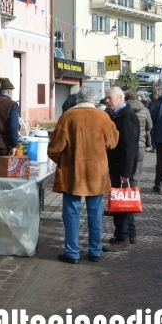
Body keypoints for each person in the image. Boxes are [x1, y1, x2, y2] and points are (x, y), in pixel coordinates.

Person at [49, 87, 119, 264]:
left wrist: (63, 162)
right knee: (95, 213)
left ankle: (72, 253)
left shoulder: (68, 117)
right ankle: (95, 251)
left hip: (73, 172)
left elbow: (55, 148)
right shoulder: (103, 117)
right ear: (94, 99)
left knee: (71, 213)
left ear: (78, 99)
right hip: (96, 171)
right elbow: (112, 142)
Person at [103, 87, 140, 252]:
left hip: (121, 167)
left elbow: (129, 147)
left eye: (110, 98)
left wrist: (125, 172)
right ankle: (130, 234)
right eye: (106, 98)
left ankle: (121, 237)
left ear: (120, 98)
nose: (107, 100)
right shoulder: (118, 114)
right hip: (118, 165)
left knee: (120, 202)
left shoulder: (126, 117)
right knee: (126, 200)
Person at [125, 90, 152, 179]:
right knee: (138, 168)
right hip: (140, 143)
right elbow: (150, 126)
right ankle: (134, 188)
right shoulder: (145, 110)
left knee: (125, 169)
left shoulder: (123, 110)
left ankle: (125, 189)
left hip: (125, 143)